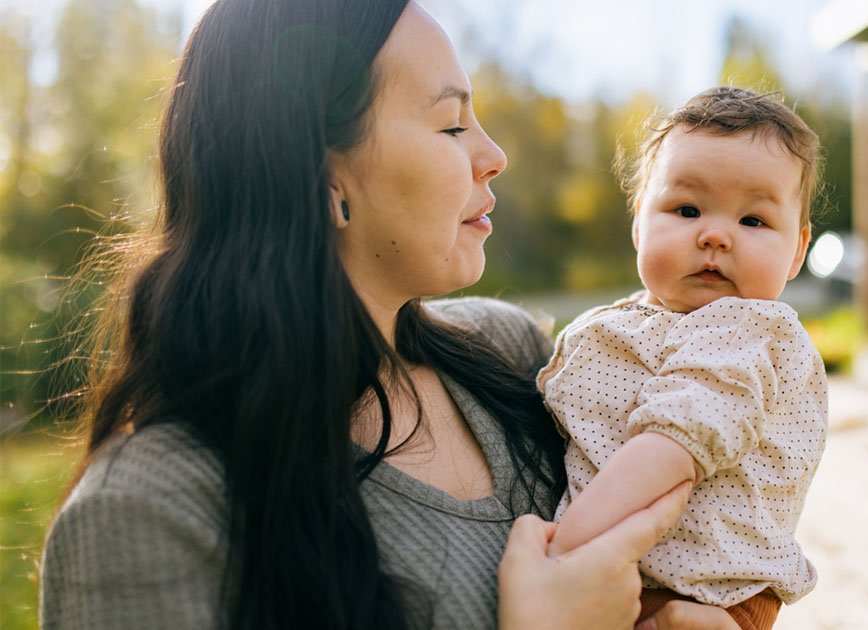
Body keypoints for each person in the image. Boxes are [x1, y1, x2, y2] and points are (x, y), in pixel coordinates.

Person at [38, 1, 730, 628]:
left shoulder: (516, 357)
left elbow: (731, 511)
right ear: (325, 178)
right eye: (452, 123)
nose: (493, 155)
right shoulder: (146, 511)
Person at [538, 87, 830, 630]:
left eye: (753, 221)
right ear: (638, 226)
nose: (716, 235)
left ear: (797, 250)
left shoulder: (748, 329)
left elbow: (675, 444)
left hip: (708, 594)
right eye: (687, 209)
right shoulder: (626, 323)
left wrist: (565, 550)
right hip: (637, 578)